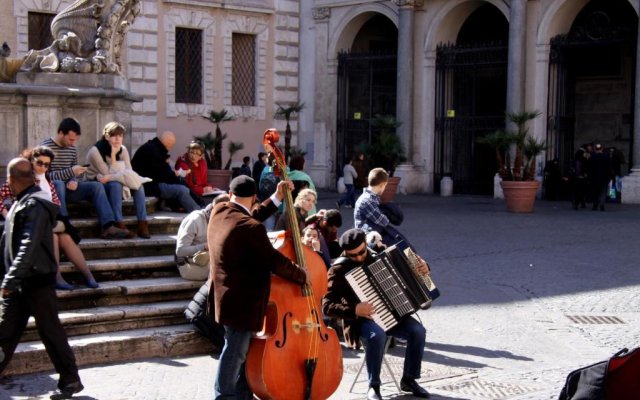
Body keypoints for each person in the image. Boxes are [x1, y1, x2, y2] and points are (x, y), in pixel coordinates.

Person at [207, 175, 308, 399]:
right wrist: (301, 274)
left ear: (231, 195)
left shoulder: (220, 211)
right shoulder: (250, 228)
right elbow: (274, 260)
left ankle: (242, 394)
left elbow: (249, 217)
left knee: (237, 351)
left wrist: (277, 197)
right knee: (235, 353)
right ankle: (224, 396)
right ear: (254, 197)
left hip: (225, 298)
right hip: (244, 303)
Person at [0, 158, 84, 399]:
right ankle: (70, 379)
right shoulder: (23, 202)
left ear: (12, 180)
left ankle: (71, 379)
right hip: (22, 281)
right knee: (5, 332)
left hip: (35, 280)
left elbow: (29, 243)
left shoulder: (35, 204)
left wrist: (11, 277)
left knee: (50, 331)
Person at [322, 229, 430, 400]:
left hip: (393, 314)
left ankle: (409, 380)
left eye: (361, 252)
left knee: (418, 331)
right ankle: (374, 386)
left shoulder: (380, 254)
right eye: (353, 255)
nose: (358, 258)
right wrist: (355, 309)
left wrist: (424, 267)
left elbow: (410, 265)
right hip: (362, 321)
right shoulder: (339, 269)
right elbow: (327, 307)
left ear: (366, 243)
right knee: (377, 334)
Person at [0, 147, 98, 290]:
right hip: (31, 222)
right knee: (53, 236)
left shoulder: (47, 179)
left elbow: (56, 201)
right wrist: (6, 213)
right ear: (31, 162)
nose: (43, 168)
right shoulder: (24, 180)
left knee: (65, 237)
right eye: (39, 163)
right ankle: (57, 277)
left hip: (49, 219)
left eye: (47, 165)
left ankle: (88, 275)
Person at [41, 117, 130, 239]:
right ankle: (64, 221)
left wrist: (74, 179)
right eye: (70, 139)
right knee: (58, 183)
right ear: (61, 133)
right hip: (54, 192)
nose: (72, 143)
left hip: (70, 190)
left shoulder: (72, 148)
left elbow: (75, 171)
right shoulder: (45, 148)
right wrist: (69, 172)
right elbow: (44, 176)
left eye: (75, 140)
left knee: (97, 186)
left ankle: (108, 226)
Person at [85, 122, 151, 238]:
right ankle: (118, 222)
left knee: (138, 186)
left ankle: (142, 223)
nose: (118, 139)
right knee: (115, 184)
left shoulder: (123, 149)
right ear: (107, 137)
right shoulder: (96, 151)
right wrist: (114, 156)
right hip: (97, 184)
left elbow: (129, 172)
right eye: (114, 136)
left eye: (120, 136)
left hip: (112, 180)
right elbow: (108, 173)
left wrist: (112, 176)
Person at [131, 131, 200, 213]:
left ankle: (197, 207)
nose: (168, 150)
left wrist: (172, 173)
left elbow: (161, 172)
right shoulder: (154, 151)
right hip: (147, 187)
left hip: (151, 183)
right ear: (168, 145)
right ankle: (197, 212)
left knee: (181, 184)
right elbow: (162, 175)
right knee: (181, 190)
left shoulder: (153, 147)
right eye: (170, 147)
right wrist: (174, 173)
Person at [175, 194, 229, 281]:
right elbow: (180, 251)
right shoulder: (194, 220)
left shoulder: (219, 220)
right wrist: (205, 246)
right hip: (188, 265)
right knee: (224, 273)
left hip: (207, 260)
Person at [588, 143, 613, 211]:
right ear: (602, 149)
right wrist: (610, 177)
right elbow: (609, 168)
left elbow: (589, 168)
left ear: (595, 149)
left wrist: (589, 177)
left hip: (594, 177)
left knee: (595, 192)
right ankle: (602, 204)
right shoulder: (606, 157)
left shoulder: (592, 157)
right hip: (604, 177)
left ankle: (595, 205)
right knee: (603, 192)